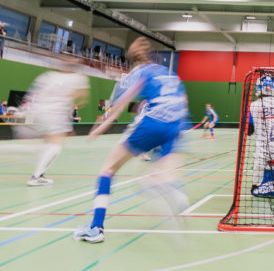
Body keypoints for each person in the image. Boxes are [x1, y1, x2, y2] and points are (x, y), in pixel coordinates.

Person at [74, 38, 190, 244]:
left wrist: (100, 127)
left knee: (107, 170)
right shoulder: (169, 73)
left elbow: (119, 106)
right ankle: (169, 185)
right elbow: (183, 102)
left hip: (153, 121)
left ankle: (96, 228)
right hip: (176, 123)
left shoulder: (136, 74)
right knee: (163, 168)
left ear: (131, 59)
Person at [18, 65, 90, 185]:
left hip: (41, 115)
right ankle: (36, 177)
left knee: (50, 144)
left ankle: (39, 174)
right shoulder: (76, 78)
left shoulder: (48, 77)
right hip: (51, 116)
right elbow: (82, 98)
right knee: (56, 146)